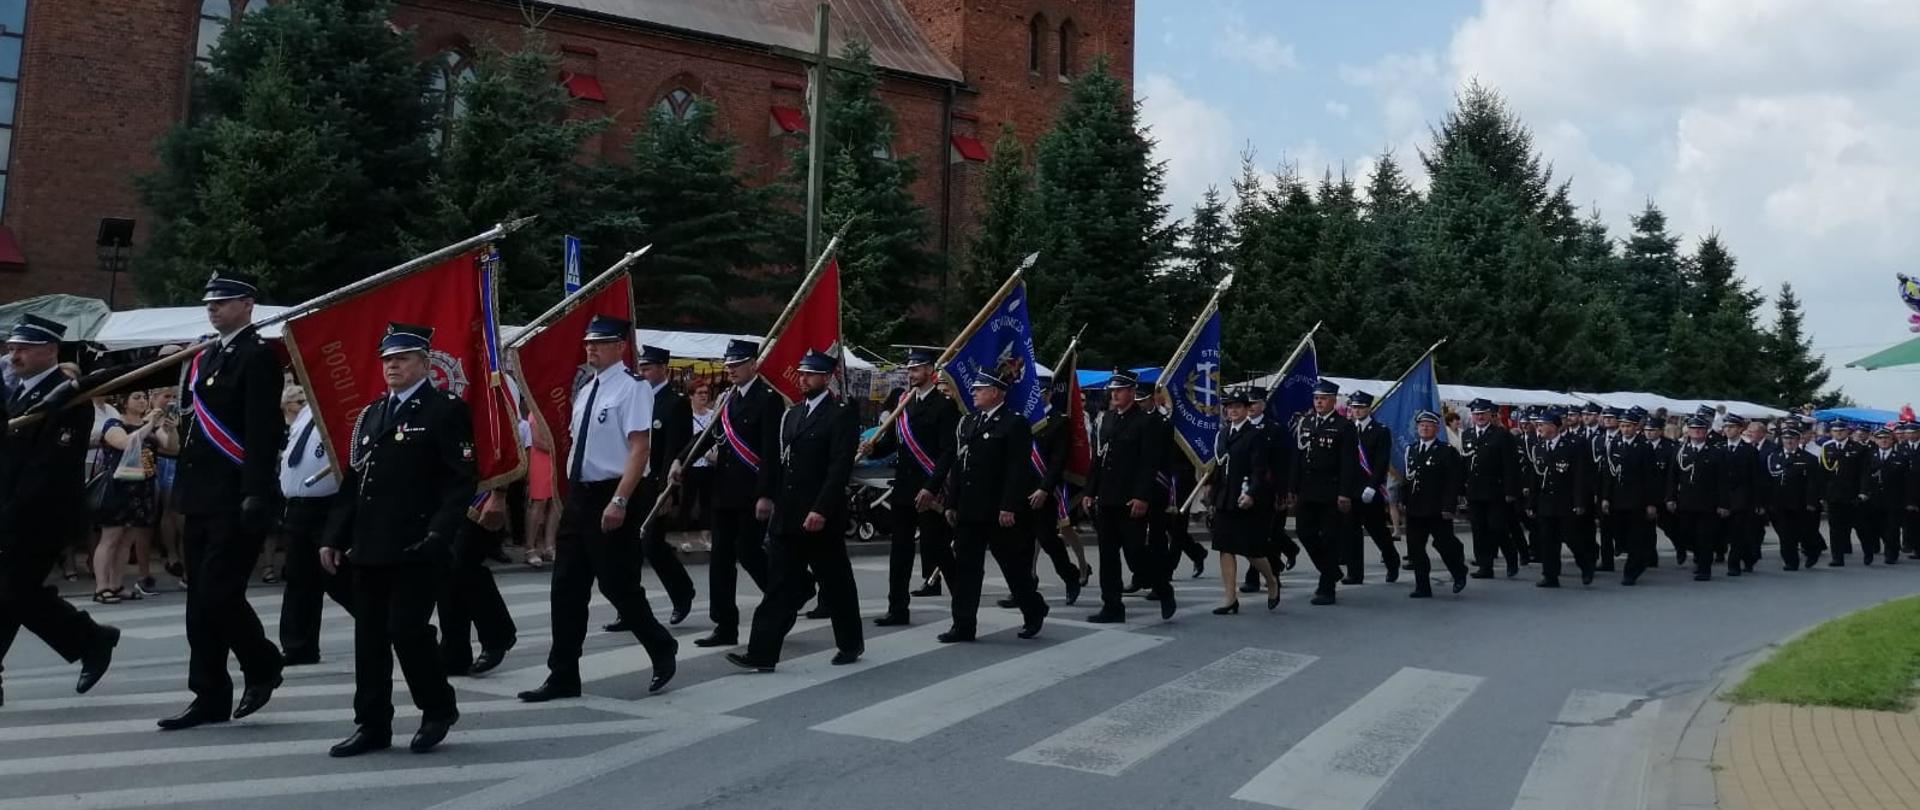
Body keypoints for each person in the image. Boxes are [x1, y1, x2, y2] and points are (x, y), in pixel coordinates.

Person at [319, 323, 472, 757]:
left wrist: (440, 533)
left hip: (416, 543)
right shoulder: (372, 414)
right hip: (369, 544)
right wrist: (333, 536)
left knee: (406, 631)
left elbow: (459, 481)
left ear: (424, 363)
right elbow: (354, 482)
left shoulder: (443, 409)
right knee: (369, 640)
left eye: (402, 358)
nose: (393, 366)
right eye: (387, 359)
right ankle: (372, 724)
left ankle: (438, 707)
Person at [518, 315, 677, 702]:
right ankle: (563, 675)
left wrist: (620, 499)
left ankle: (660, 647)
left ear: (620, 346)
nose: (591, 348)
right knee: (566, 588)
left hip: (612, 492)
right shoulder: (587, 389)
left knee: (617, 584)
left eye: (601, 343)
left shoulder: (633, 388)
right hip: (581, 495)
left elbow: (640, 448)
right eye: (589, 343)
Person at [160, 272, 287, 731]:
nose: (213, 308)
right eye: (210, 303)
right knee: (200, 602)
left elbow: (261, 431)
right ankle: (208, 693)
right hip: (200, 495)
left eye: (224, 302)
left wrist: (255, 491)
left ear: (248, 304)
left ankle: (263, 662)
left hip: (236, 495)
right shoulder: (207, 354)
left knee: (218, 593)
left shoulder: (256, 357)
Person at [0, 315, 120, 706]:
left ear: (49, 350)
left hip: (41, 517)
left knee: (8, 593)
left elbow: (47, 469)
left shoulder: (69, 396)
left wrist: (12, 512)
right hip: (12, 510)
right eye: (11, 347)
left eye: (23, 348)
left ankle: (91, 639)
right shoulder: (19, 392)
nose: (13, 354)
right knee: (22, 595)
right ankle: (92, 638)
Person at [727, 349, 862, 671]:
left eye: (811, 374)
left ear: (826, 377)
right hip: (789, 515)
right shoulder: (794, 413)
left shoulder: (840, 414)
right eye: (801, 373)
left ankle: (850, 642)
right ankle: (762, 653)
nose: (803, 379)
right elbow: (781, 463)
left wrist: (821, 509)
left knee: (836, 583)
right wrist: (770, 499)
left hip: (820, 517)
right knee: (779, 585)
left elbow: (838, 468)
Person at [932, 372, 1048, 641]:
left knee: (1013, 566)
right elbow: (960, 467)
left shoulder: (1013, 423)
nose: (973, 392)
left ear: (996, 392)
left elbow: (1016, 469)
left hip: (998, 510)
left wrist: (1009, 505)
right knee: (966, 570)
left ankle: (1033, 608)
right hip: (969, 509)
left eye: (980, 388)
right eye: (974, 388)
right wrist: (952, 502)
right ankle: (963, 625)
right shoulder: (969, 422)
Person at [683, 339, 779, 649]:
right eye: (729, 364)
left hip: (751, 492)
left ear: (753, 364)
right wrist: (680, 459)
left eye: (737, 363)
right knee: (720, 560)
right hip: (723, 491)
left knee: (749, 552)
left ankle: (785, 593)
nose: (731, 369)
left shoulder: (768, 400)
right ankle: (725, 624)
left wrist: (766, 494)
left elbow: (770, 452)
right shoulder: (727, 399)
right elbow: (707, 433)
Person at [862, 347, 958, 626]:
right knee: (899, 552)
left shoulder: (944, 406)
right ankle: (897, 609)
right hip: (904, 488)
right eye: (909, 369)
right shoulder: (905, 403)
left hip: (928, 490)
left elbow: (947, 452)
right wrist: (873, 449)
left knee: (939, 548)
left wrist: (932, 486)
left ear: (930, 370)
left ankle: (963, 607)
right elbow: (893, 443)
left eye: (916, 369)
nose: (910, 373)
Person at [1082, 369, 1176, 622]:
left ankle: (1162, 587)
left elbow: (1149, 463)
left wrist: (1142, 496)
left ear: (1132, 392)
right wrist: (1090, 491)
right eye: (1113, 390)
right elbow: (1099, 459)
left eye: (1120, 390)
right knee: (1108, 556)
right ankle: (1112, 606)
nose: (1115, 394)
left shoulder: (1147, 421)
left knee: (1135, 554)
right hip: (1107, 497)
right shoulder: (1108, 419)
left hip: (1131, 498)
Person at [277, 395, 354, 666]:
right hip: (298, 506)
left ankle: (383, 623)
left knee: (337, 576)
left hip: (328, 505)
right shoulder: (308, 408)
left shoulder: (339, 403)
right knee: (300, 579)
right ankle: (299, 646)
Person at [90, 391, 176, 603]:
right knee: (110, 538)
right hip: (119, 485)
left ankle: (116, 584)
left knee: (127, 540)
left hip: (143, 486)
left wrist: (170, 429)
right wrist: (148, 424)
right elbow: (124, 443)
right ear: (124, 402)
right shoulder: (114, 423)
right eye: (136, 397)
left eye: (144, 398)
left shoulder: (151, 425)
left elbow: (172, 447)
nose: (142, 401)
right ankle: (101, 587)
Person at [631, 344, 696, 623]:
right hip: (633, 481)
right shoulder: (637, 399)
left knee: (652, 544)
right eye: (641, 367)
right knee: (627, 548)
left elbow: (674, 449)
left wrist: (667, 491)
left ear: (662, 369)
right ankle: (630, 607)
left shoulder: (675, 402)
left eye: (647, 367)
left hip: (657, 483)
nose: (642, 372)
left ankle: (682, 592)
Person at [1209, 388, 1280, 613]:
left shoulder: (1255, 434)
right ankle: (1230, 597)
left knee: (1251, 549)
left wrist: (1251, 493)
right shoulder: (1222, 433)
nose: (1232, 411)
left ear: (1246, 409)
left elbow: (1259, 470)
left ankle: (1271, 579)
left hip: (1244, 495)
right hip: (1224, 496)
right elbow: (1219, 467)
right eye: (1229, 407)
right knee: (1224, 547)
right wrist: (1211, 493)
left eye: (1237, 407)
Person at [1288, 380, 1358, 606]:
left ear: (1333, 400)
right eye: (1316, 398)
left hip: (1331, 489)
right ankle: (1331, 569)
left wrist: (1345, 493)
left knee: (1329, 539)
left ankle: (1327, 587)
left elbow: (1349, 463)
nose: (1319, 402)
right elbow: (1298, 457)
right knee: (1304, 532)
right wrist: (1292, 487)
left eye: (1324, 398)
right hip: (1308, 488)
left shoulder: (1344, 426)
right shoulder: (1305, 422)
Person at [1399, 410, 1467, 597]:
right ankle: (1422, 586)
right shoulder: (1411, 450)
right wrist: (1403, 500)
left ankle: (1459, 571)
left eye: (1429, 425)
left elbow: (1453, 482)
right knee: (1415, 548)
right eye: (1421, 425)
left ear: (1437, 428)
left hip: (1437, 508)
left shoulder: (1446, 451)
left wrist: (1448, 507)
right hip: (1415, 508)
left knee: (1444, 545)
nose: (1425, 428)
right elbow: (1408, 478)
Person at [1528, 409, 1595, 587]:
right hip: (1546, 502)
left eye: (1542, 425)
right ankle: (1550, 575)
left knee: (1573, 538)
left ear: (1553, 426)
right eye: (1538, 425)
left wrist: (1580, 502)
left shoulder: (1572, 446)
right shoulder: (1539, 447)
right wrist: (1531, 503)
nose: (1539, 428)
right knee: (1548, 541)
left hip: (1566, 501)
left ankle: (1586, 566)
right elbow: (1535, 477)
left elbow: (1579, 477)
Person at [1344, 391, 1401, 584]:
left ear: (1368, 408)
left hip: (1370, 490)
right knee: (1351, 533)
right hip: (1350, 490)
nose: (1357, 411)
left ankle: (1392, 562)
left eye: (1360, 407)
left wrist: (1373, 486)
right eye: (1354, 407)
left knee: (1378, 532)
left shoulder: (1380, 431)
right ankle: (1355, 573)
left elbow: (1381, 462)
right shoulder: (1348, 429)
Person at [1460, 398, 1520, 578]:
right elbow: (1465, 462)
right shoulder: (1468, 435)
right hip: (1474, 490)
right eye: (1476, 414)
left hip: (1496, 490)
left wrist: (1510, 491)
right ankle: (1485, 566)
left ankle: (1511, 557)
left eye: (1483, 414)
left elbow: (1511, 465)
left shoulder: (1502, 435)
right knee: (1478, 529)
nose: (1479, 417)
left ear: (1490, 415)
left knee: (1497, 528)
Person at [1601, 408, 1659, 585]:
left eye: (1628, 426)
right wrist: (1605, 497)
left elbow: (1650, 477)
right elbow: (1608, 473)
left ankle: (1632, 571)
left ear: (1636, 427)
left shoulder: (1644, 446)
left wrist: (1651, 503)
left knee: (1636, 537)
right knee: (1620, 534)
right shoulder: (1615, 444)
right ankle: (1635, 559)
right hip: (1618, 498)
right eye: (1623, 426)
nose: (1625, 429)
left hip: (1637, 499)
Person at [1667, 416, 1724, 581]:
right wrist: (1670, 497)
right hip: (1685, 501)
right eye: (1693, 429)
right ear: (1688, 431)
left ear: (1706, 431)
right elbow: (1673, 477)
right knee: (1687, 534)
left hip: (1707, 502)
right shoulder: (1680, 450)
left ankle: (1704, 568)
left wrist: (1723, 503)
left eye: (1700, 429)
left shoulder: (1715, 452)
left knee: (1705, 536)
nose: (1697, 432)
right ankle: (1698, 555)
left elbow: (1722, 481)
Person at [1771, 425, 1825, 570]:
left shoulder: (1809, 459)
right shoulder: (1774, 457)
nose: (1789, 441)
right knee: (1785, 534)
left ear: (1798, 440)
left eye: (1792, 438)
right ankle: (1790, 561)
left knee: (1805, 532)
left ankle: (1813, 551)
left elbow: (1813, 483)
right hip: (1780, 502)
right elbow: (1770, 480)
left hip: (1800, 502)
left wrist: (1811, 501)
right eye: (1786, 438)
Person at [1819, 422, 1864, 566]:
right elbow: (1823, 473)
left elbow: (1863, 473)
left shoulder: (1858, 448)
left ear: (1847, 432)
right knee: (1835, 527)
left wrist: (1863, 492)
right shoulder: (1827, 448)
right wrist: (1822, 494)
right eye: (1835, 430)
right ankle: (1837, 557)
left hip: (1852, 494)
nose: (1838, 433)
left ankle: (1868, 550)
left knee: (1860, 526)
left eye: (1841, 430)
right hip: (1833, 494)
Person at [1861, 427, 1903, 565]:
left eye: (1887, 438)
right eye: (1880, 438)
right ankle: (1872, 549)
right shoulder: (1869, 455)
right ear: (1876, 440)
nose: (1884, 440)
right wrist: (1864, 492)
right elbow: (1864, 476)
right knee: (1874, 526)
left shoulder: (1900, 457)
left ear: (1892, 440)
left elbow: (1906, 480)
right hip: (1874, 498)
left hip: (1893, 498)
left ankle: (1891, 553)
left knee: (1892, 528)